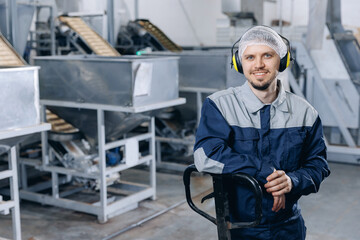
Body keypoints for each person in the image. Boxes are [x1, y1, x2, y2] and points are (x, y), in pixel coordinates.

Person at [193, 25, 330, 240]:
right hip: (240, 227)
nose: (258, 64)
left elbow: (318, 165)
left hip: (289, 227)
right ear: (240, 63)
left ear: (282, 61)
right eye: (249, 57)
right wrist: (264, 171)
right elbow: (205, 155)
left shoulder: (305, 113)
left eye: (267, 55)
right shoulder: (220, 106)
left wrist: (291, 181)